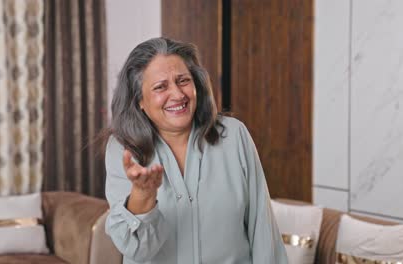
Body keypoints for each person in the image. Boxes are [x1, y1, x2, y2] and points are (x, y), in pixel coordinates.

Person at [104, 37, 288, 264]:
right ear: (139, 100)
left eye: (183, 81)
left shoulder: (233, 136)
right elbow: (137, 250)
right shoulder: (123, 149)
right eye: (161, 87)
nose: (178, 94)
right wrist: (143, 196)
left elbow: (263, 230)